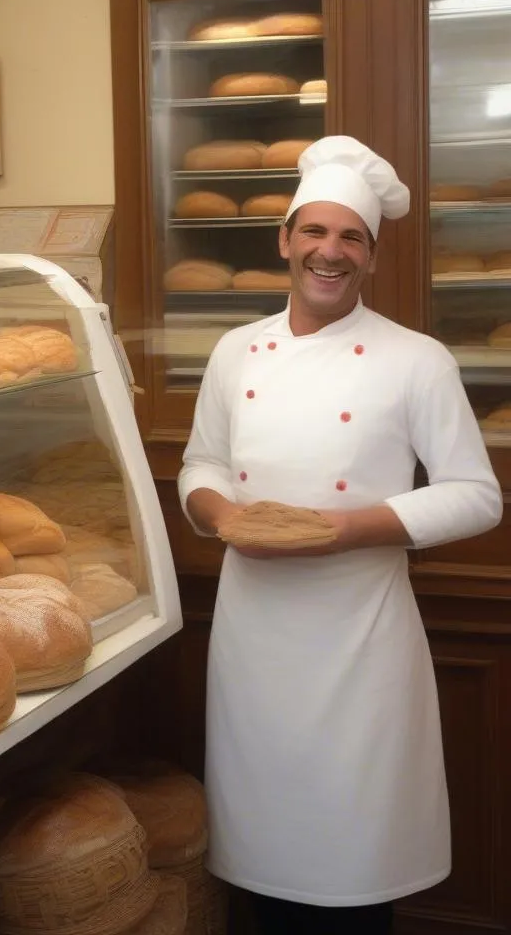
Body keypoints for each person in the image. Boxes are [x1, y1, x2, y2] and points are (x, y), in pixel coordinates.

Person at [177, 135, 503, 934]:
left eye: (351, 237)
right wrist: (227, 519)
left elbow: (476, 496)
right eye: (315, 233)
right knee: (262, 864)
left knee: (352, 869)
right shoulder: (234, 351)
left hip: (361, 646)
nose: (331, 252)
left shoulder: (415, 360)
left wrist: (345, 530)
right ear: (284, 241)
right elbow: (199, 467)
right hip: (254, 642)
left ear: (371, 256)